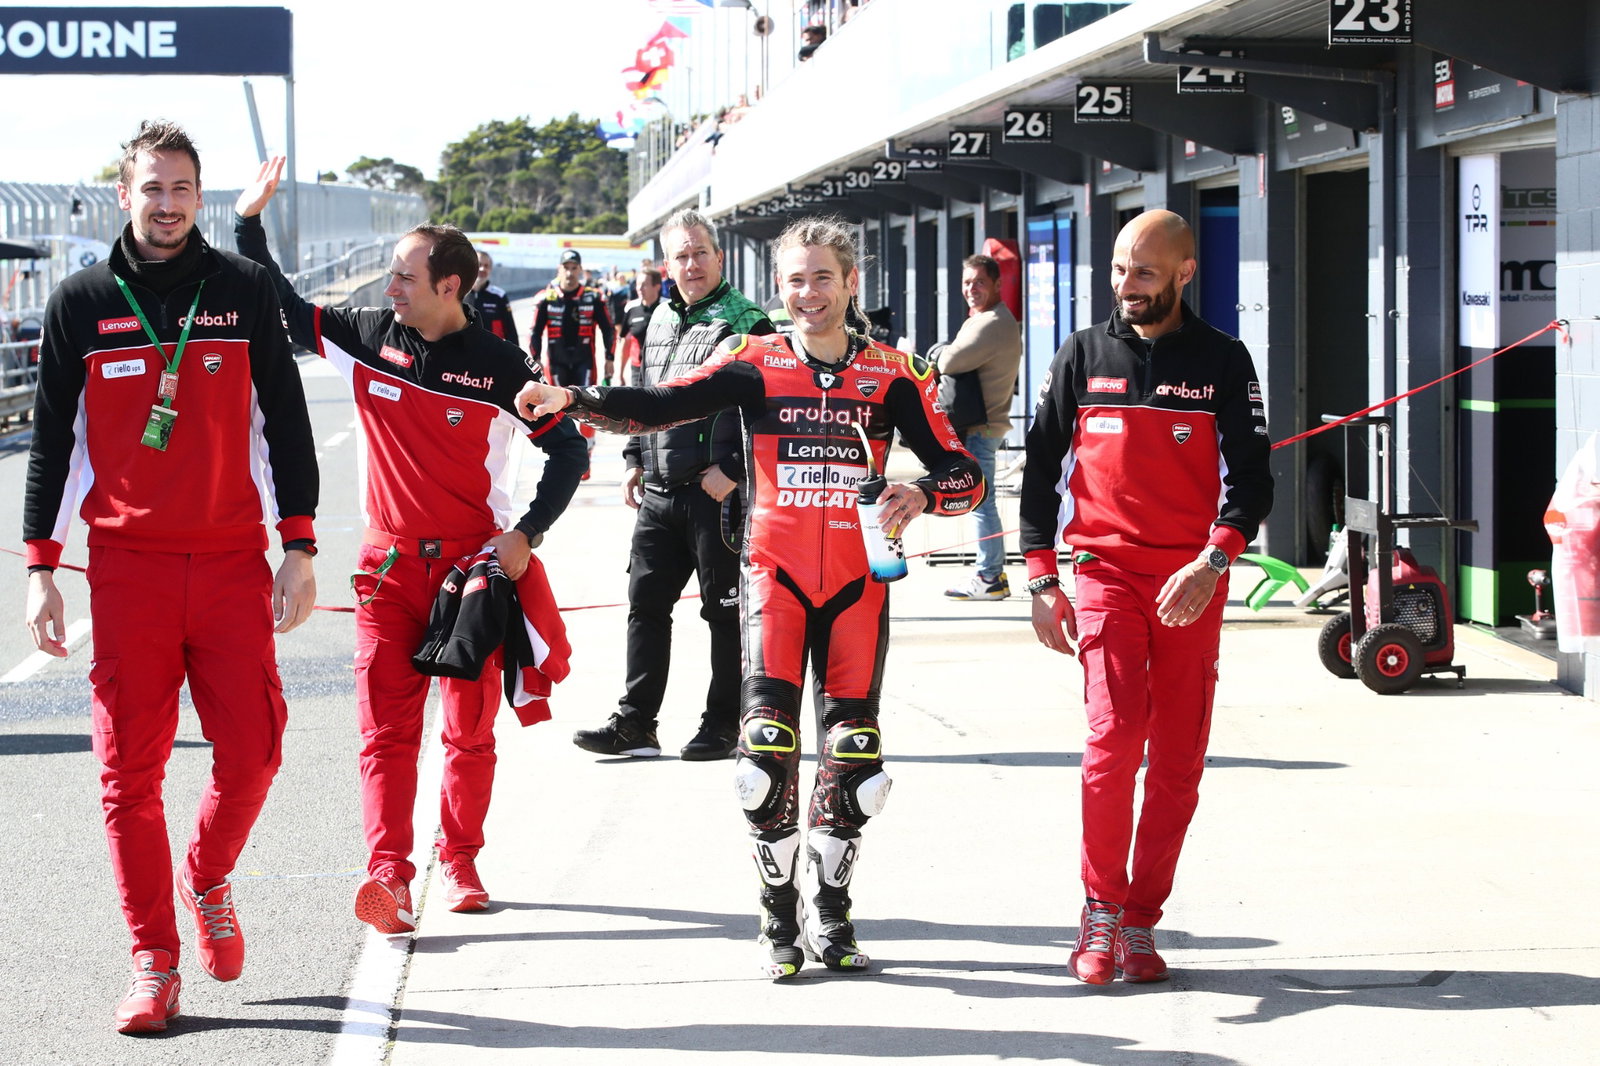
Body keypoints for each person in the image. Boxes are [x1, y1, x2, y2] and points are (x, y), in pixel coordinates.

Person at [517, 216, 983, 978]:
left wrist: (922, 493)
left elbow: (966, 475)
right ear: (778, 286)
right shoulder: (754, 361)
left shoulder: (897, 374)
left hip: (858, 589)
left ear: (851, 282)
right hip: (774, 580)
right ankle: (777, 917)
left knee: (857, 762)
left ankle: (833, 914)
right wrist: (572, 397)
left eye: (823, 277)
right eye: (795, 279)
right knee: (762, 758)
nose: (809, 293)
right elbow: (656, 404)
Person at [233, 156, 586, 936]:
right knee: (385, 733)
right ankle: (389, 876)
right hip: (387, 569)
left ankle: (459, 859)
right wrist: (247, 224)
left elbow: (570, 451)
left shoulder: (503, 367)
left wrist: (525, 534)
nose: (389, 286)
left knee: (469, 732)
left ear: (449, 286)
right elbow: (284, 306)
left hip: (472, 574)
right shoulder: (365, 337)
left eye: (403, 275)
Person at [21, 121, 318, 1034]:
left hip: (230, 562)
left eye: (182, 188)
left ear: (199, 196)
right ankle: (154, 961)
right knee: (127, 776)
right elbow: (50, 441)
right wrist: (42, 568)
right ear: (125, 194)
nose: (167, 204)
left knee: (255, 751)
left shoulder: (241, 288)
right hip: (128, 571)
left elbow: (286, 417)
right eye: (151, 187)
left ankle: (208, 874)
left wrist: (299, 545)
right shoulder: (79, 301)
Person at [1019, 209, 1273, 986]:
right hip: (1105, 575)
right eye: (1119, 269)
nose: (1126, 285)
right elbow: (1039, 468)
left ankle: (1139, 920)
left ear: (1185, 273)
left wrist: (1214, 562)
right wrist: (1041, 578)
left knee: (1177, 762)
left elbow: (1254, 481)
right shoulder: (1081, 354)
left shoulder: (1224, 360)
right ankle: (1099, 911)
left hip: (1191, 582)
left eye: (1145, 272)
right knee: (1115, 736)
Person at [570, 209, 775, 762]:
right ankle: (636, 724)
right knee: (645, 607)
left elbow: (773, 407)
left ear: (720, 256)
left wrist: (734, 469)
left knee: (724, 614)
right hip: (658, 494)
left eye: (700, 253)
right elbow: (647, 391)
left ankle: (724, 723)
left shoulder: (748, 321)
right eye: (681, 256)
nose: (692, 264)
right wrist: (633, 456)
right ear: (667, 265)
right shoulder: (658, 317)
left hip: (716, 496)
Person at [936, 253, 1022, 601]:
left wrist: (939, 351)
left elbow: (949, 360)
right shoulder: (985, 318)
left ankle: (990, 576)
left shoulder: (992, 323)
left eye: (980, 282)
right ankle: (990, 573)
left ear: (998, 285)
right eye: (967, 282)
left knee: (981, 503)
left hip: (981, 430)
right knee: (981, 502)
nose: (971, 289)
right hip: (980, 428)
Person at [531, 249, 614, 478]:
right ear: (559, 270)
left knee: (588, 409)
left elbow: (608, 329)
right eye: (566, 267)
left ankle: (586, 456)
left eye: (574, 268)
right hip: (556, 364)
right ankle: (565, 457)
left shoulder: (594, 297)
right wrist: (535, 359)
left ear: (580, 270)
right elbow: (535, 331)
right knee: (557, 411)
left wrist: (610, 358)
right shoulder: (546, 298)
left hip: (584, 362)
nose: (569, 272)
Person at [614, 266, 661, 386]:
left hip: (662, 369)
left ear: (657, 286)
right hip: (637, 369)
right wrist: (620, 374)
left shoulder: (669, 307)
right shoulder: (631, 308)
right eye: (638, 284)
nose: (639, 288)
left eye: (644, 284)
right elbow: (626, 341)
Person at [464, 250, 517, 343]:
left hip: (492, 350)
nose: (482, 269)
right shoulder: (459, 294)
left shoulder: (499, 296)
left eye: (486, 266)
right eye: (479, 265)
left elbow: (511, 331)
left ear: (490, 269)